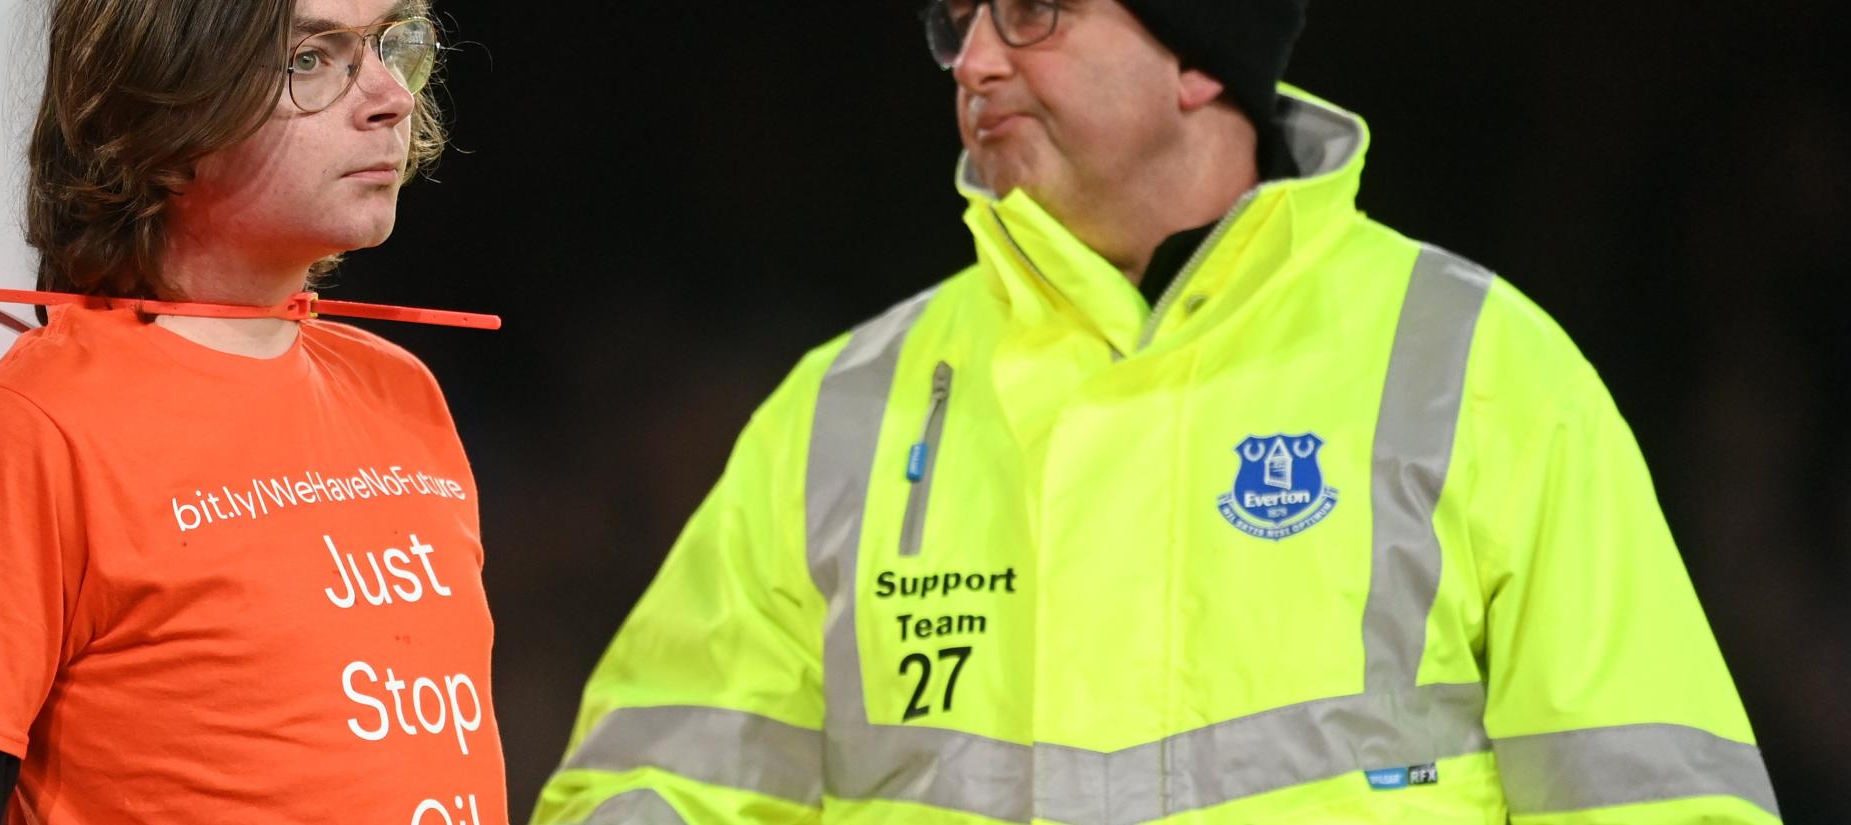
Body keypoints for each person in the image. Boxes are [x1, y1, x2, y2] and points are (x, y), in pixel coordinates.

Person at [533, 0, 1779, 822]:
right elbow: (647, 790)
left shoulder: (1480, 366)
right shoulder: (844, 409)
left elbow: (1655, 793)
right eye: (957, 18)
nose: (972, 58)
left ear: (1198, 56)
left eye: (1028, 11)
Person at [0, 0, 507, 822]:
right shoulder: (26, 435)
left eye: (391, 45)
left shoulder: (404, 391)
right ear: (167, 105)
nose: (389, 97)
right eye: (309, 58)